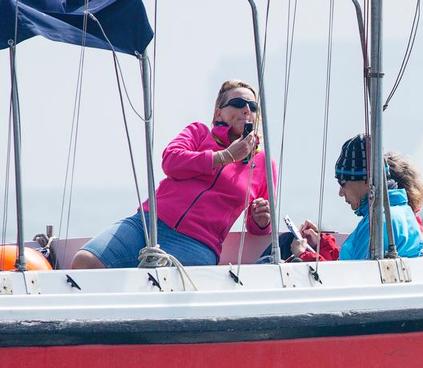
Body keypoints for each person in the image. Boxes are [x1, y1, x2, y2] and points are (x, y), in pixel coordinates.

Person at [72, 80, 275, 269]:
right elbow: (171, 161)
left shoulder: (264, 163)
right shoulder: (198, 132)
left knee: (158, 290)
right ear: (218, 113)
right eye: (238, 102)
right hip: (149, 223)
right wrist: (224, 156)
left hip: (197, 243)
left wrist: (261, 220)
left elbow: (258, 229)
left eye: (252, 106)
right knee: (85, 262)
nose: (246, 109)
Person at [296, 134, 423, 260]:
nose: (340, 193)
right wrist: (322, 244)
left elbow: (352, 276)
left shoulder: (378, 223)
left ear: (366, 180)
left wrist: (302, 256)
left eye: (343, 183)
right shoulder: (403, 213)